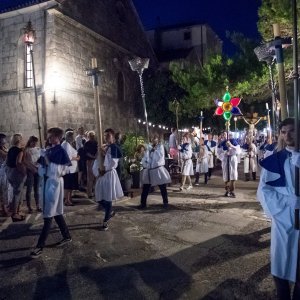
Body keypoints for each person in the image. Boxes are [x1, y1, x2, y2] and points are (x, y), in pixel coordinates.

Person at [257, 118, 300, 300]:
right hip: (282, 217)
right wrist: (288, 203)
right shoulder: (275, 159)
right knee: (280, 265)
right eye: (283, 132)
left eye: (291, 131)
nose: (287, 135)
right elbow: (264, 190)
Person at [30, 127, 72, 258]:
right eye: (49, 136)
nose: (49, 138)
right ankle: (67, 236)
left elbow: (61, 170)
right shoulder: (48, 150)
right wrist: (41, 161)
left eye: (51, 136)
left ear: (58, 138)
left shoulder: (61, 151)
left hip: (54, 184)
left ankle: (39, 246)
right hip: (47, 184)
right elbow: (41, 169)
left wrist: (47, 160)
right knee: (56, 212)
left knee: (48, 214)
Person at [93, 128, 123, 231]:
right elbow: (97, 161)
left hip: (109, 174)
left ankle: (105, 221)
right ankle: (109, 212)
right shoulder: (103, 147)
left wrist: (104, 154)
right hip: (101, 175)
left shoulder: (114, 147)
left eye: (108, 135)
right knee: (99, 197)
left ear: (113, 137)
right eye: (105, 136)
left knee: (108, 197)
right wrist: (97, 171)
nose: (106, 137)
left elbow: (114, 163)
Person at [139, 134, 171, 209]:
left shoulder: (160, 147)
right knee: (146, 187)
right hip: (149, 170)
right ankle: (143, 203)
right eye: (152, 138)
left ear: (157, 139)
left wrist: (154, 151)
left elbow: (160, 157)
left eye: (155, 138)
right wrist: (146, 163)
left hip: (158, 169)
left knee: (162, 187)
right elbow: (145, 158)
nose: (153, 140)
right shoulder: (148, 147)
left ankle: (165, 202)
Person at [5, 134, 27, 221]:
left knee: (15, 193)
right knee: (17, 194)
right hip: (17, 173)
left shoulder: (10, 149)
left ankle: (16, 211)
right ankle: (15, 214)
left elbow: (7, 161)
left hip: (10, 172)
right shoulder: (20, 151)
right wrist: (24, 172)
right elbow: (18, 163)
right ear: (19, 141)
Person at [217, 132, 240, 198]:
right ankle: (227, 190)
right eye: (223, 135)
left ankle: (232, 191)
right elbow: (218, 152)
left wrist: (231, 145)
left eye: (225, 134)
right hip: (225, 159)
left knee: (233, 174)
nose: (224, 136)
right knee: (226, 175)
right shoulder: (221, 143)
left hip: (232, 159)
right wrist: (224, 154)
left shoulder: (233, 141)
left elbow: (238, 150)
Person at [61, 131, 80, 206]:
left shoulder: (68, 144)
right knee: (68, 185)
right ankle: (66, 200)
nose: (73, 138)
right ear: (68, 136)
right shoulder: (66, 144)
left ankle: (69, 198)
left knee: (70, 186)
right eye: (72, 137)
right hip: (69, 169)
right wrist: (76, 158)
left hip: (72, 169)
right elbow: (68, 157)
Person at [24, 136, 41, 213]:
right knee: (29, 189)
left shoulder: (37, 149)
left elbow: (39, 159)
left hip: (37, 170)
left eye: (35, 142)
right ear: (30, 142)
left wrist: (38, 165)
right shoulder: (26, 150)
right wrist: (32, 168)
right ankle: (29, 206)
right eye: (33, 142)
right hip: (30, 171)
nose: (34, 144)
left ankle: (38, 205)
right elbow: (26, 162)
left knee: (37, 189)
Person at [84, 131, 98, 198]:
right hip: (90, 161)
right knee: (90, 178)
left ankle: (95, 192)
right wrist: (94, 156)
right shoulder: (87, 143)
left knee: (95, 177)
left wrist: (95, 156)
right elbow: (86, 153)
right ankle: (89, 193)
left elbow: (98, 151)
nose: (92, 136)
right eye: (91, 135)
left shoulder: (95, 143)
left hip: (94, 160)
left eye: (93, 135)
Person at [0, 133, 10, 216]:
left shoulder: (4, 148)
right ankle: (4, 209)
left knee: (6, 190)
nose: (5, 141)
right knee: (3, 190)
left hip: (5, 171)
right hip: (1, 171)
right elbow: (5, 157)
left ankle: (5, 207)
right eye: (4, 139)